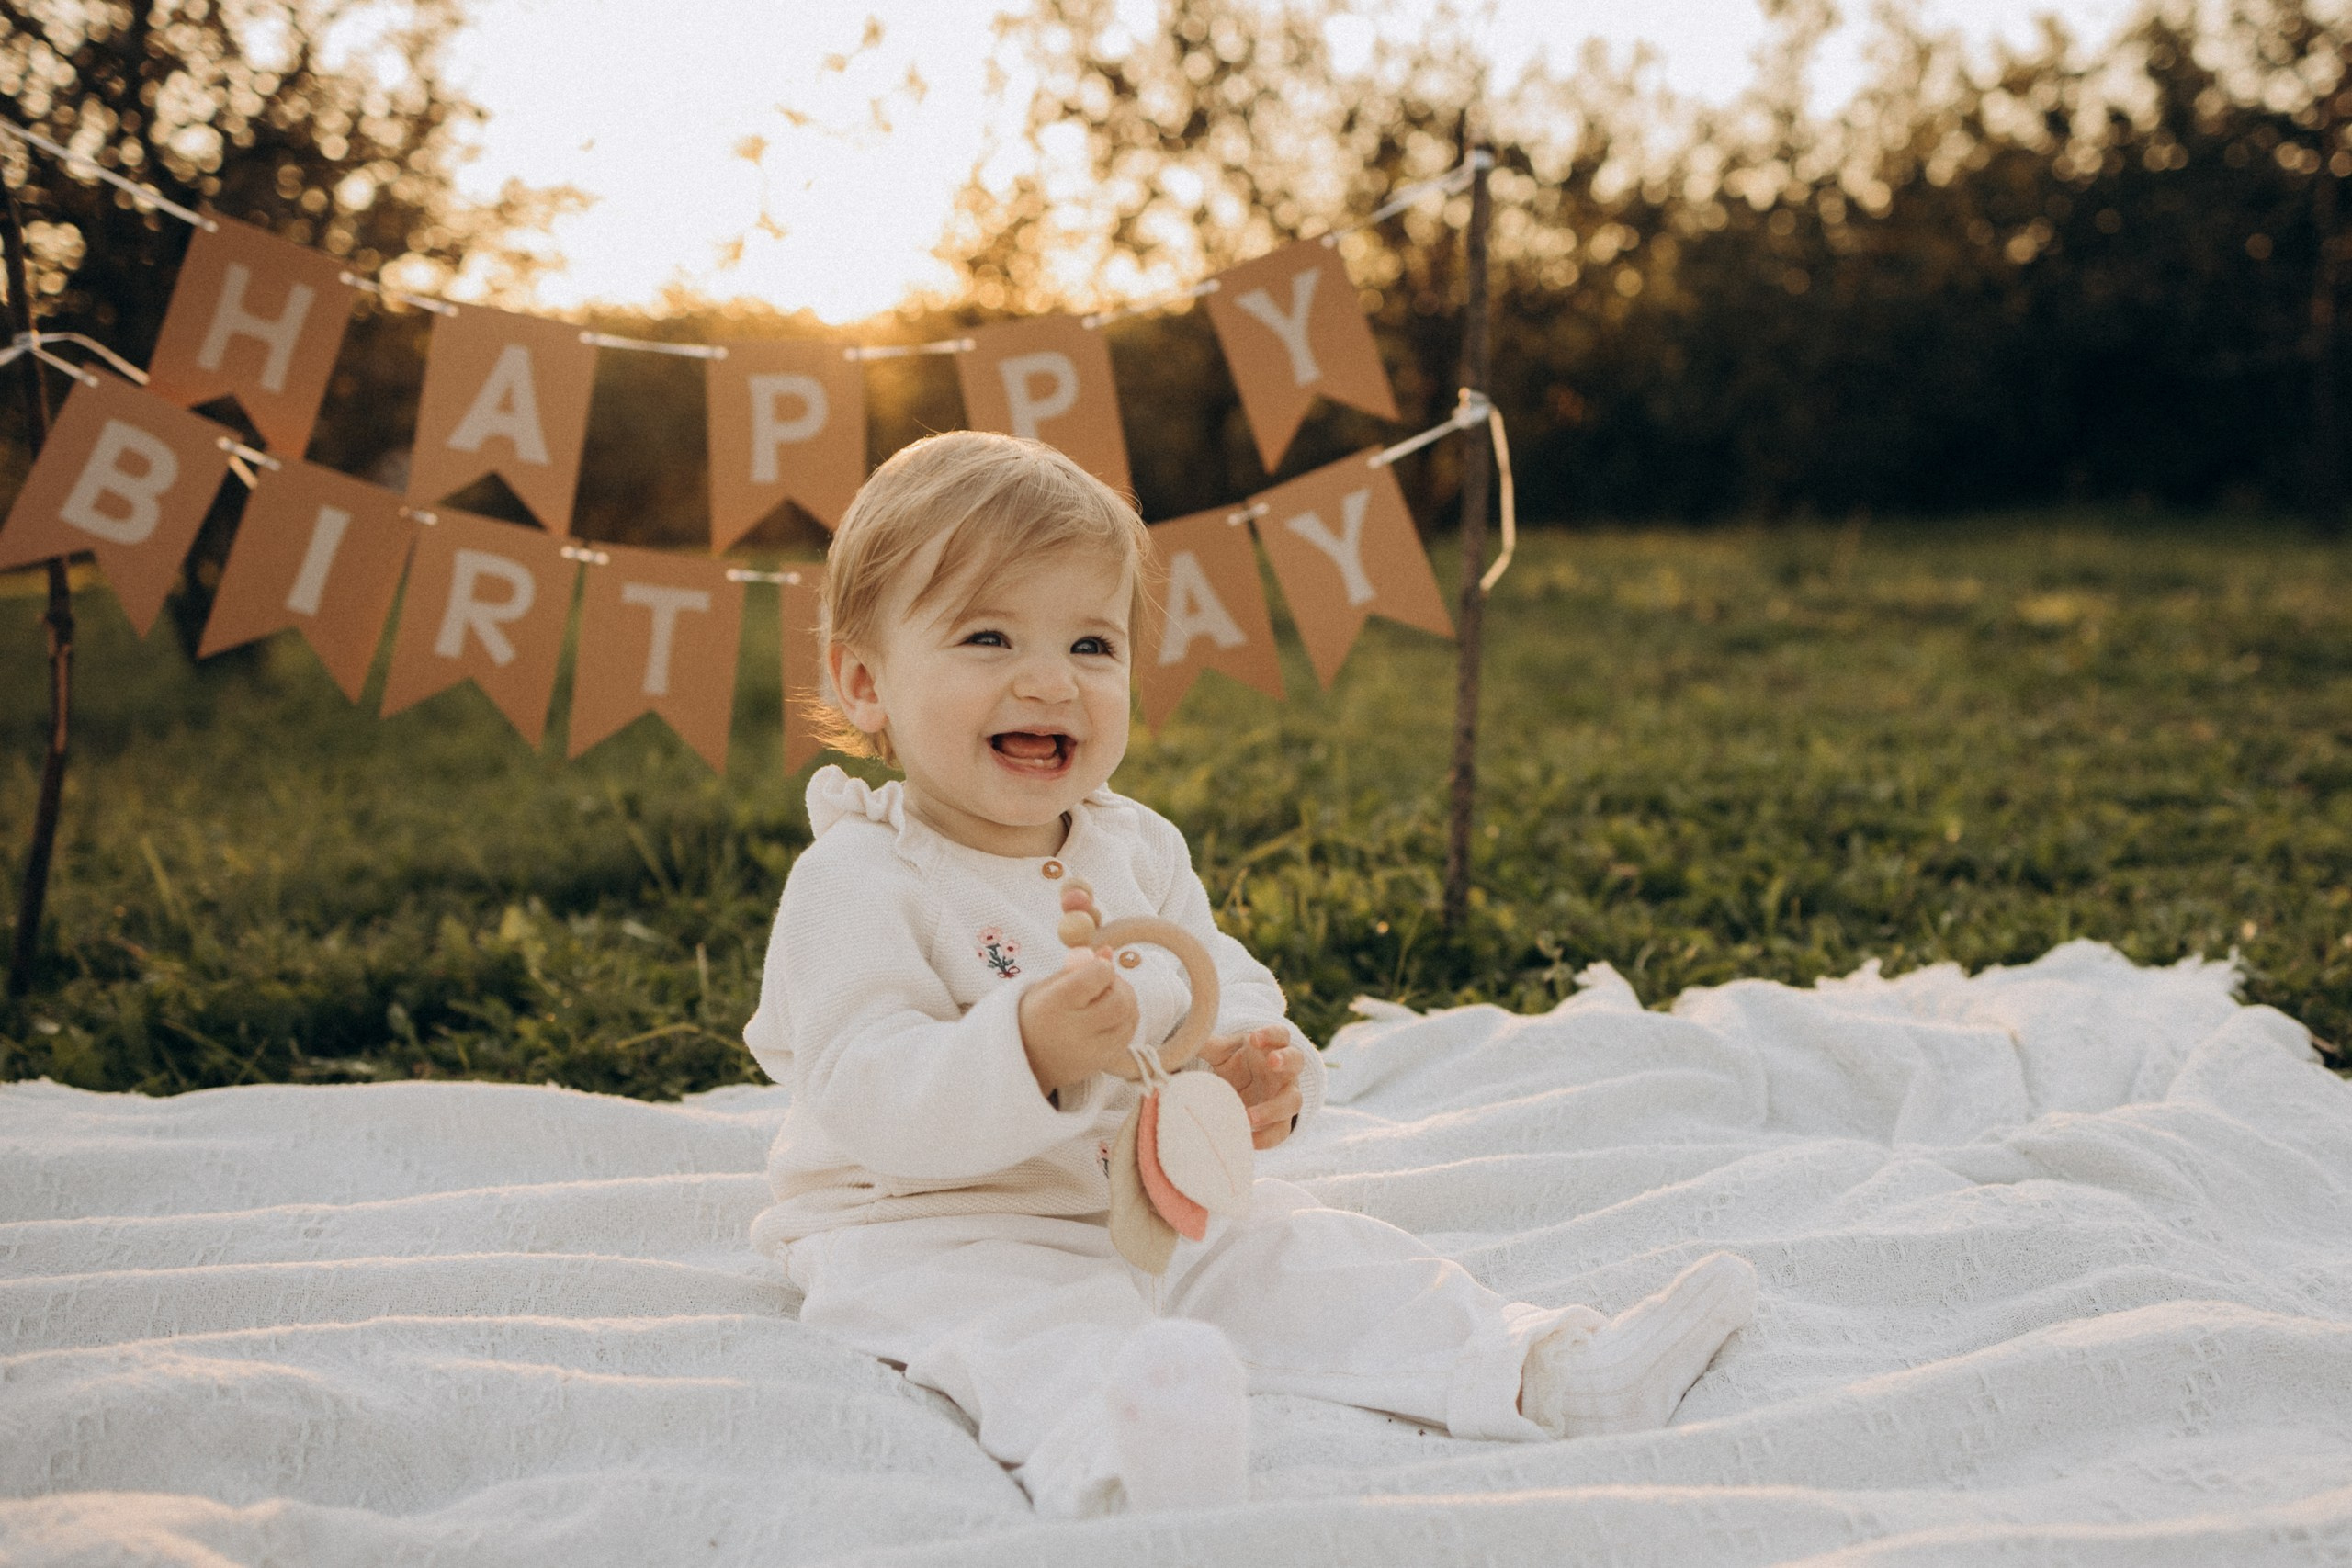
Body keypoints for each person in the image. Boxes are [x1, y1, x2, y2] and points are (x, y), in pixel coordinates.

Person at [743, 431, 1757, 1517]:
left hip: (1139, 1193)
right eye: (988, 637)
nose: (1050, 680)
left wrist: (1253, 1071)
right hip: (927, 1220)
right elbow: (862, 1084)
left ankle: (1536, 1371)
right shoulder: (858, 875)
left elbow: (1221, 978)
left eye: (1092, 644)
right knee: (1033, 1335)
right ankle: (1131, 1465)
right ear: (864, 683)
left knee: (1317, 1257)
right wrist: (1024, 1051)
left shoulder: (1134, 847)